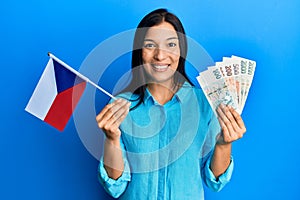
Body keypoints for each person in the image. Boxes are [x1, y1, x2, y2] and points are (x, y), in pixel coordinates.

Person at [96, 8, 246, 200]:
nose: (160, 55)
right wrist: (112, 140)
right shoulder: (120, 106)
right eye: (150, 45)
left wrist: (224, 144)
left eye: (171, 45)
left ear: (181, 51)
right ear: (139, 52)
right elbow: (115, 187)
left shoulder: (206, 103)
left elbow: (214, 181)